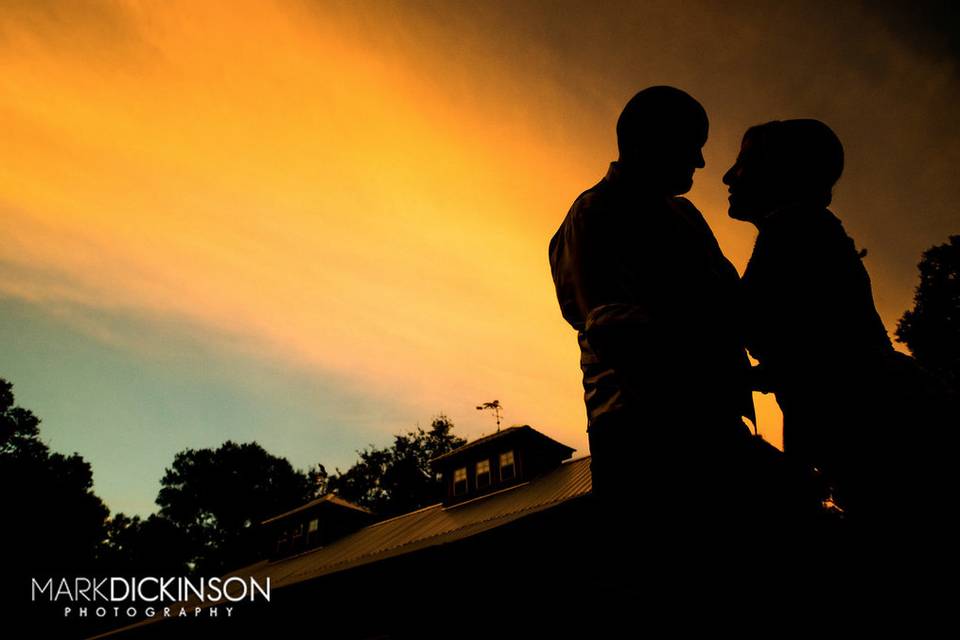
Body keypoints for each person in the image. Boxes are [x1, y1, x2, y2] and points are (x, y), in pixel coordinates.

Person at [549, 87, 790, 551]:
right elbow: (618, 335)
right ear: (646, 140)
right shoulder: (594, 212)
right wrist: (729, 447)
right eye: (692, 144)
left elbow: (733, 306)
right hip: (643, 440)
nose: (701, 162)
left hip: (711, 426)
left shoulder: (685, 215)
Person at [724, 119, 954, 537]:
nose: (727, 175)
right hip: (890, 428)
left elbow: (803, 361)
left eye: (742, 163)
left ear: (780, 172)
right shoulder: (803, 230)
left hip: (895, 433)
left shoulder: (795, 231)